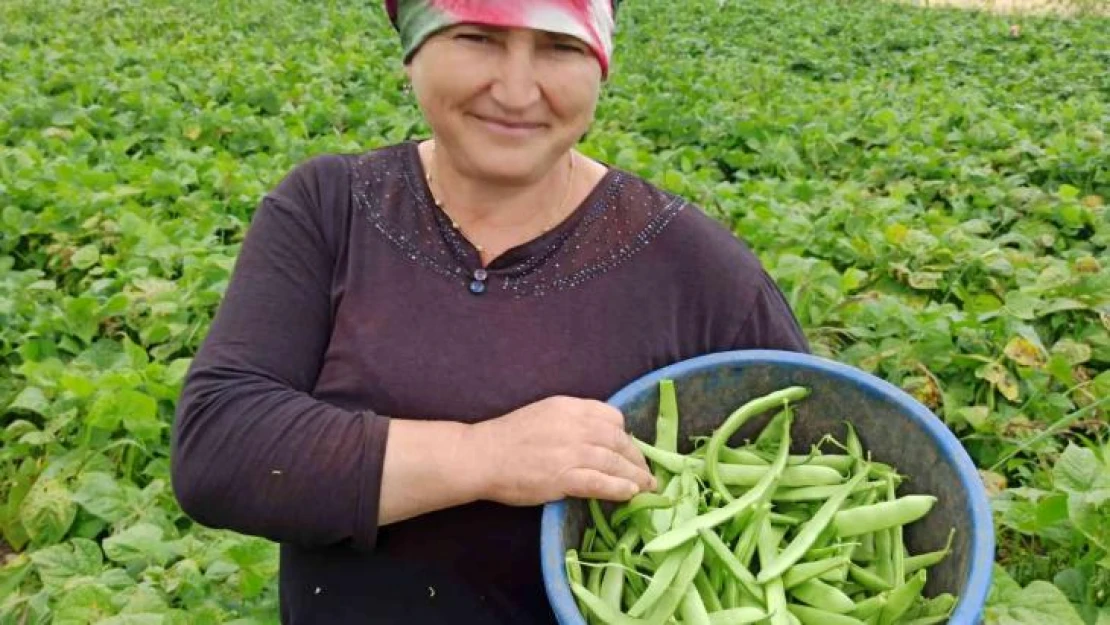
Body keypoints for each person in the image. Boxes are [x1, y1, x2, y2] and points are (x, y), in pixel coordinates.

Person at [169, 1, 810, 623]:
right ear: (414, 49)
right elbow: (222, 448)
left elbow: (804, 480)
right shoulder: (330, 208)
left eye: (560, 46)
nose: (515, 89)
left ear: (601, 64)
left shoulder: (698, 270)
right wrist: (487, 456)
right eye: (477, 37)